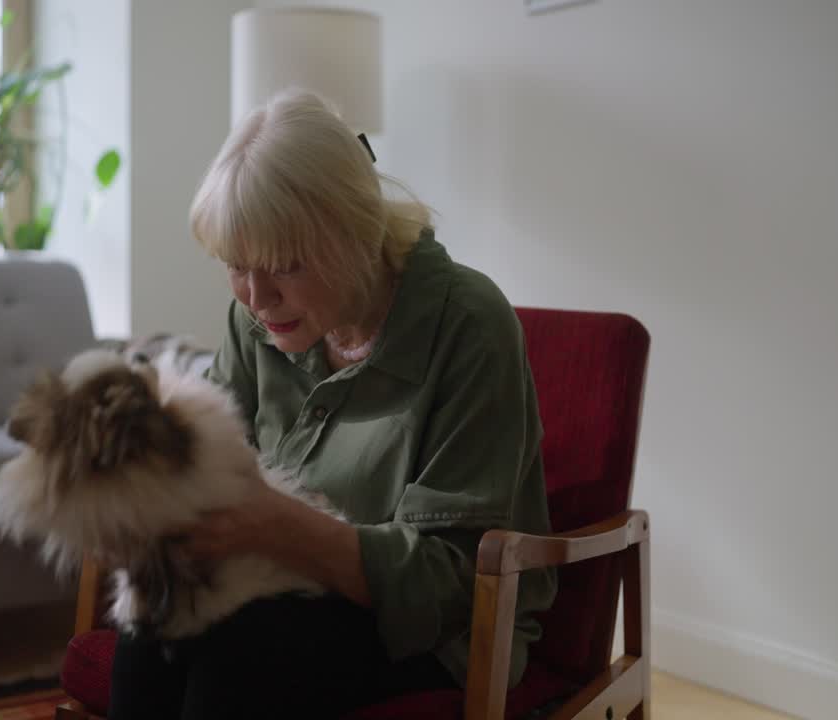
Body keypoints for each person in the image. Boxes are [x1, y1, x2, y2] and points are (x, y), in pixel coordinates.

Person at [107, 88, 557, 719]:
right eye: (237, 266)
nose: (258, 298)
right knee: (154, 620)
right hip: (273, 587)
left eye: (284, 266)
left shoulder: (469, 327)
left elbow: (456, 586)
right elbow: (203, 468)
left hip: (439, 634)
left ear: (356, 232)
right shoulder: (254, 320)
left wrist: (283, 528)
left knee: (239, 652)